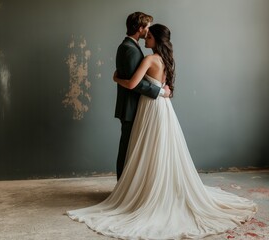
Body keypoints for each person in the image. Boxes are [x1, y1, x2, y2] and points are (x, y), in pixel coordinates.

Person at [67, 24, 257, 239]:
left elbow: (131, 84)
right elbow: (165, 89)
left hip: (149, 108)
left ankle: (148, 192)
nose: (145, 39)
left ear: (156, 39)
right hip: (164, 108)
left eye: (148, 37)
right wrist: (162, 92)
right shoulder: (167, 60)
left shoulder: (149, 60)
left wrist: (116, 78)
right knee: (162, 148)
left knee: (148, 148)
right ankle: (159, 190)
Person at [114, 12, 171, 181]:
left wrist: (117, 78)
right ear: (140, 28)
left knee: (135, 150)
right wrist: (161, 92)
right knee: (127, 149)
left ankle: (132, 187)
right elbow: (135, 84)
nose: (148, 31)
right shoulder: (130, 49)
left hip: (141, 106)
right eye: (146, 28)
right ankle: (123, 188)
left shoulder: (134, 48)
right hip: (131, 107)